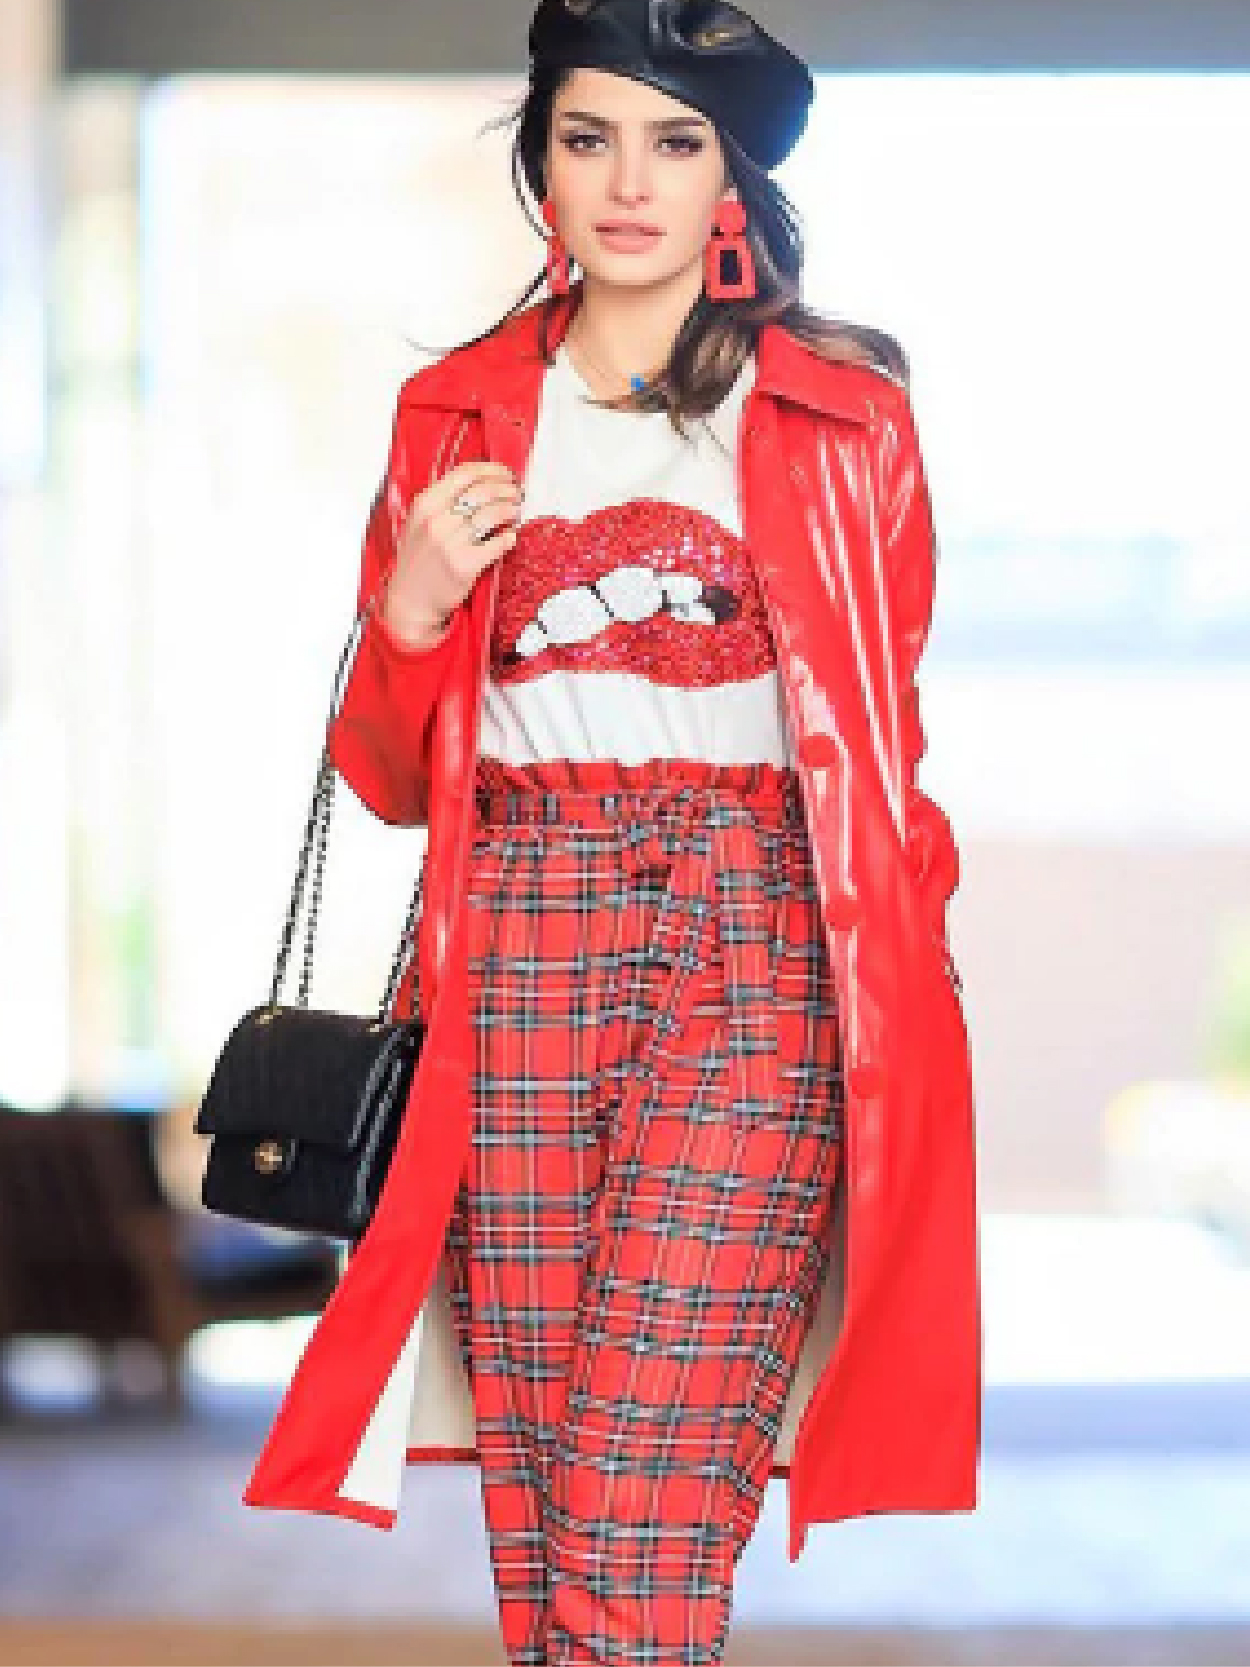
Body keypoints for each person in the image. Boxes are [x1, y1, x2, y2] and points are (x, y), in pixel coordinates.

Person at [242, 4, 982, 1665]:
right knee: (544, 1467)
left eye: (673, 142)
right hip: (512, 937)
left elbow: (885, 731)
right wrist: (411, 607)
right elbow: (390, 778)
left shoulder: (844, 413)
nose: (628, 184)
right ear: (541, 166)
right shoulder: (450, 412)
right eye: (588, 139)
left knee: (648, 1461)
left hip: (760, 937)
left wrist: (904, 966)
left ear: (731, 178)